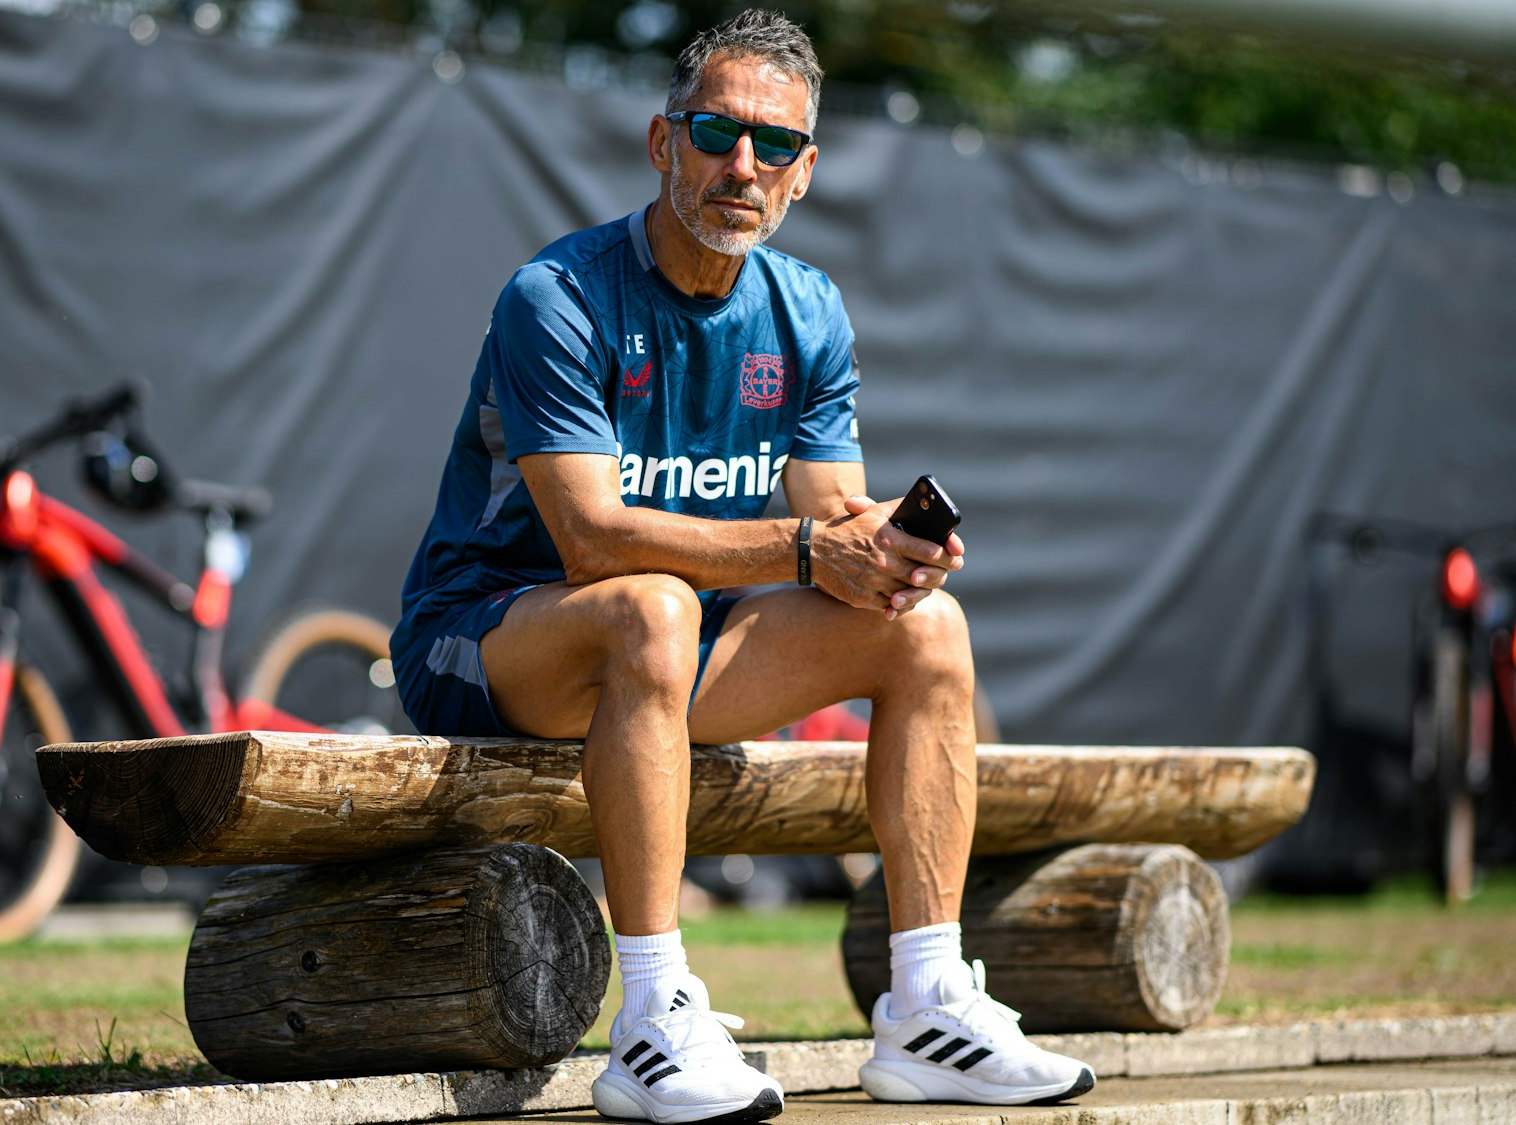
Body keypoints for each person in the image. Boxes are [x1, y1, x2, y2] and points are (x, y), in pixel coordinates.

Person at [390, 10, 1094, 1122]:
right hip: (483, 639)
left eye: (775, 145)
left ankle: (926, 1008)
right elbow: (591, 540)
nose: (743, 165)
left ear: (804, 172)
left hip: (670, 656)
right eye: (717, 132)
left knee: (926, 631)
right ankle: (651, 1022)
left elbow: (830, 516)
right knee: (650, 608)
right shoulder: (556, 295)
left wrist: (889, 549)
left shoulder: (806, 308)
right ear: (663, 142)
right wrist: (811, 549)